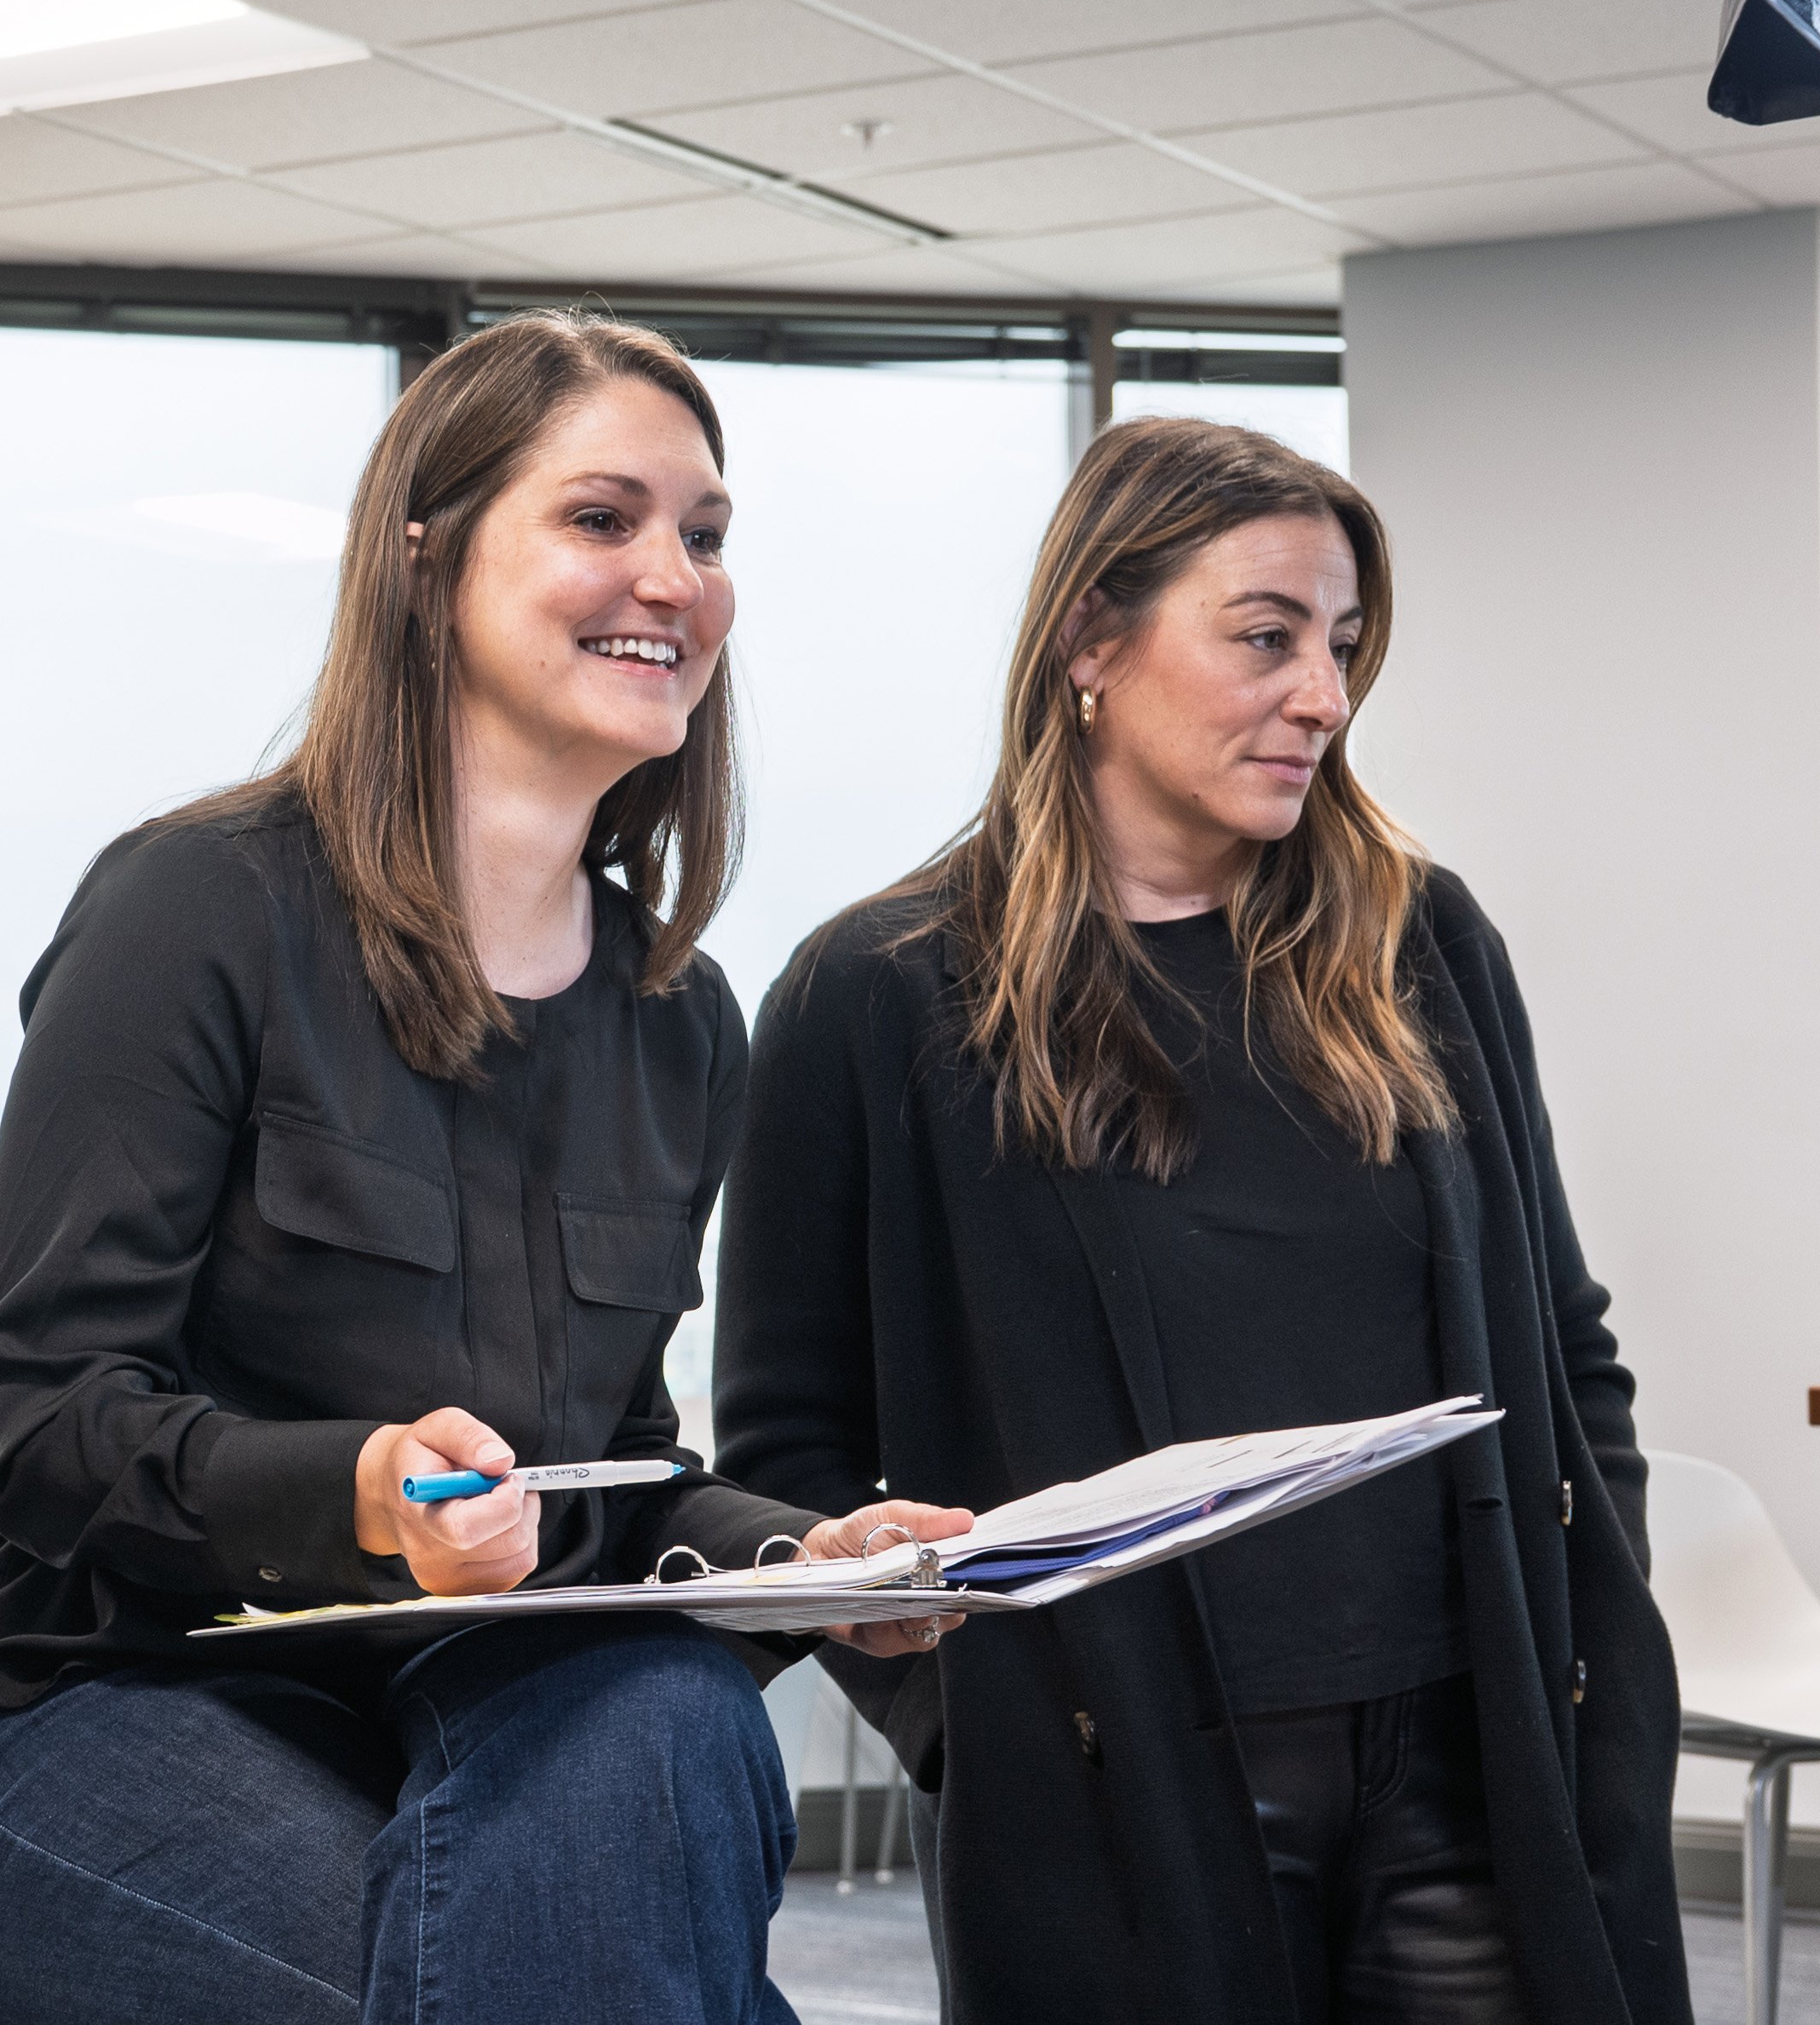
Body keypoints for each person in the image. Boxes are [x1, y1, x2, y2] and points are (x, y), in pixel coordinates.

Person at [0, 310, 970, 2025]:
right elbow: (39, 1426)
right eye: (602, 519)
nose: (675, 579)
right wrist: (363, 1491)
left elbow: (613, 1470)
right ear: (427, 562)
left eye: (705, 536)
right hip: (121, 1702)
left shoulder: (678, 1018)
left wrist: (811, 1564)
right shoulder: (200, 912)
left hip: (494, 1695)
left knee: (678, 1707)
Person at [711, 417, 1683, 2023]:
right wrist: (972, 1714)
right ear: (1093, 637)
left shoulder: (1418, 941)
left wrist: (1601, 1631)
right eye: (1266, 636)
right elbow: (789, 1450)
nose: (1325, 692)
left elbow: (1564, 1343)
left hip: (1472, 1752)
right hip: (1119, 1779)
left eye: (1345, 644)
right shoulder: (880, 992)